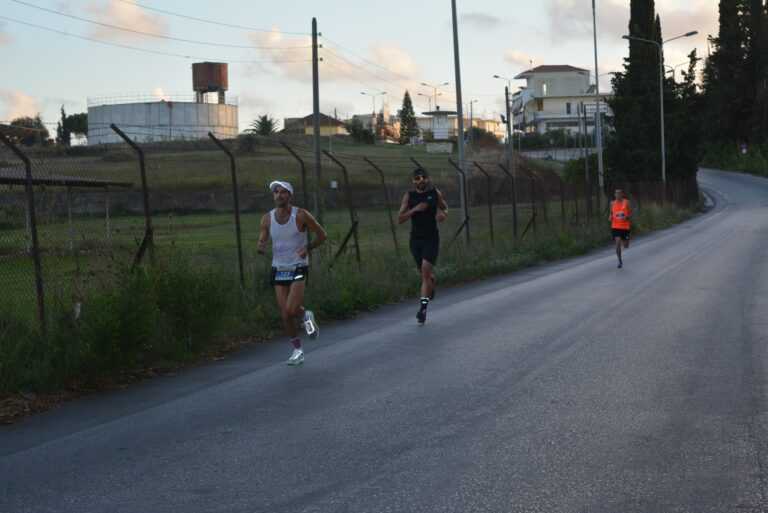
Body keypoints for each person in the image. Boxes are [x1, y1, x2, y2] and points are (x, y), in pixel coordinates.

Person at [258, 180, 327, 365]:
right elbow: (263, 235)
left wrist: (308, 247)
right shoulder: (267, 218)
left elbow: (322, 235)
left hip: (298, 265)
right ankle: (297, 350)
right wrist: (261, 244)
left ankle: (305, 315)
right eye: (276, 192)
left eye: (283, 192)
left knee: (291, 309)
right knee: (285, 315)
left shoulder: (301, 215)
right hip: (278, 268)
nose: (279, 195)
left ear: (290, 195)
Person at [398, 167, 448, 324]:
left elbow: (444, 207)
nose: (421, 180)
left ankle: (423, 309)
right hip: (415, 240)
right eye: (417, 178)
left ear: (428, 178)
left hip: (431, 238)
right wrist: (415, 209)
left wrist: (443, 214)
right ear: (413, 181)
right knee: (425, 275)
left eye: (424, 177)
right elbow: (400, 219)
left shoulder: (435, 193)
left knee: (425, 271)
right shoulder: (409, 196)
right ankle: (431, 282)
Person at [609, 188, 632, 269]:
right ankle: (620, 261)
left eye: (619, 194)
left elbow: (630, 213)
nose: (617, 195)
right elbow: (611, 213)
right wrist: (610, 216)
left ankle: (625, 240)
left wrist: (627, 217)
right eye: (616, 194)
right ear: (614, 195)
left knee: (626, 246)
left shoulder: (626, 202)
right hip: (615, 226)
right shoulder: (612, 203)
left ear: (622, 195)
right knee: (617, 243)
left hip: (625, 226)